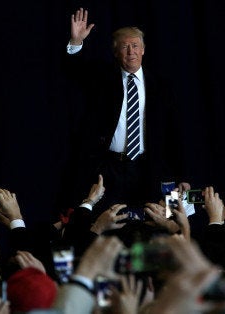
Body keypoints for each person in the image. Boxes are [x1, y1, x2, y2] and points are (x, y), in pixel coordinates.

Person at [62, 7, 190, 216]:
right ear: (115, 52)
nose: (130, 51)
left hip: (148, 168)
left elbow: (174, 134)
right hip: (109, 169)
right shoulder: (102, 79)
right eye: (124, 47)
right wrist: (76, 42)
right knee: (108, 225)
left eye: (135, 46)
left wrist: (182, 175)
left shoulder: (161, 87)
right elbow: (73, 72)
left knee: (154, 225)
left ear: (143, 50)